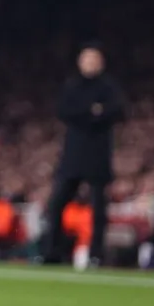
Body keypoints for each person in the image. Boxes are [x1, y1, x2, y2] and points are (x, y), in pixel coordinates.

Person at [41, 45, 124, 267]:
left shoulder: (109, 87)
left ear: (101, 62)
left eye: (94, 59)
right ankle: (52, 251)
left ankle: (96, 254)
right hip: (74, 154)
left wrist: (89, 113)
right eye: (87, 59)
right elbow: (65, 111)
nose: (90, 64)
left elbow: (117, 111)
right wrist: (93, 112)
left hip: (98, 154)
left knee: (98, 208)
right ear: (80, 62)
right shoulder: (72, 86)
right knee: (57, 203)